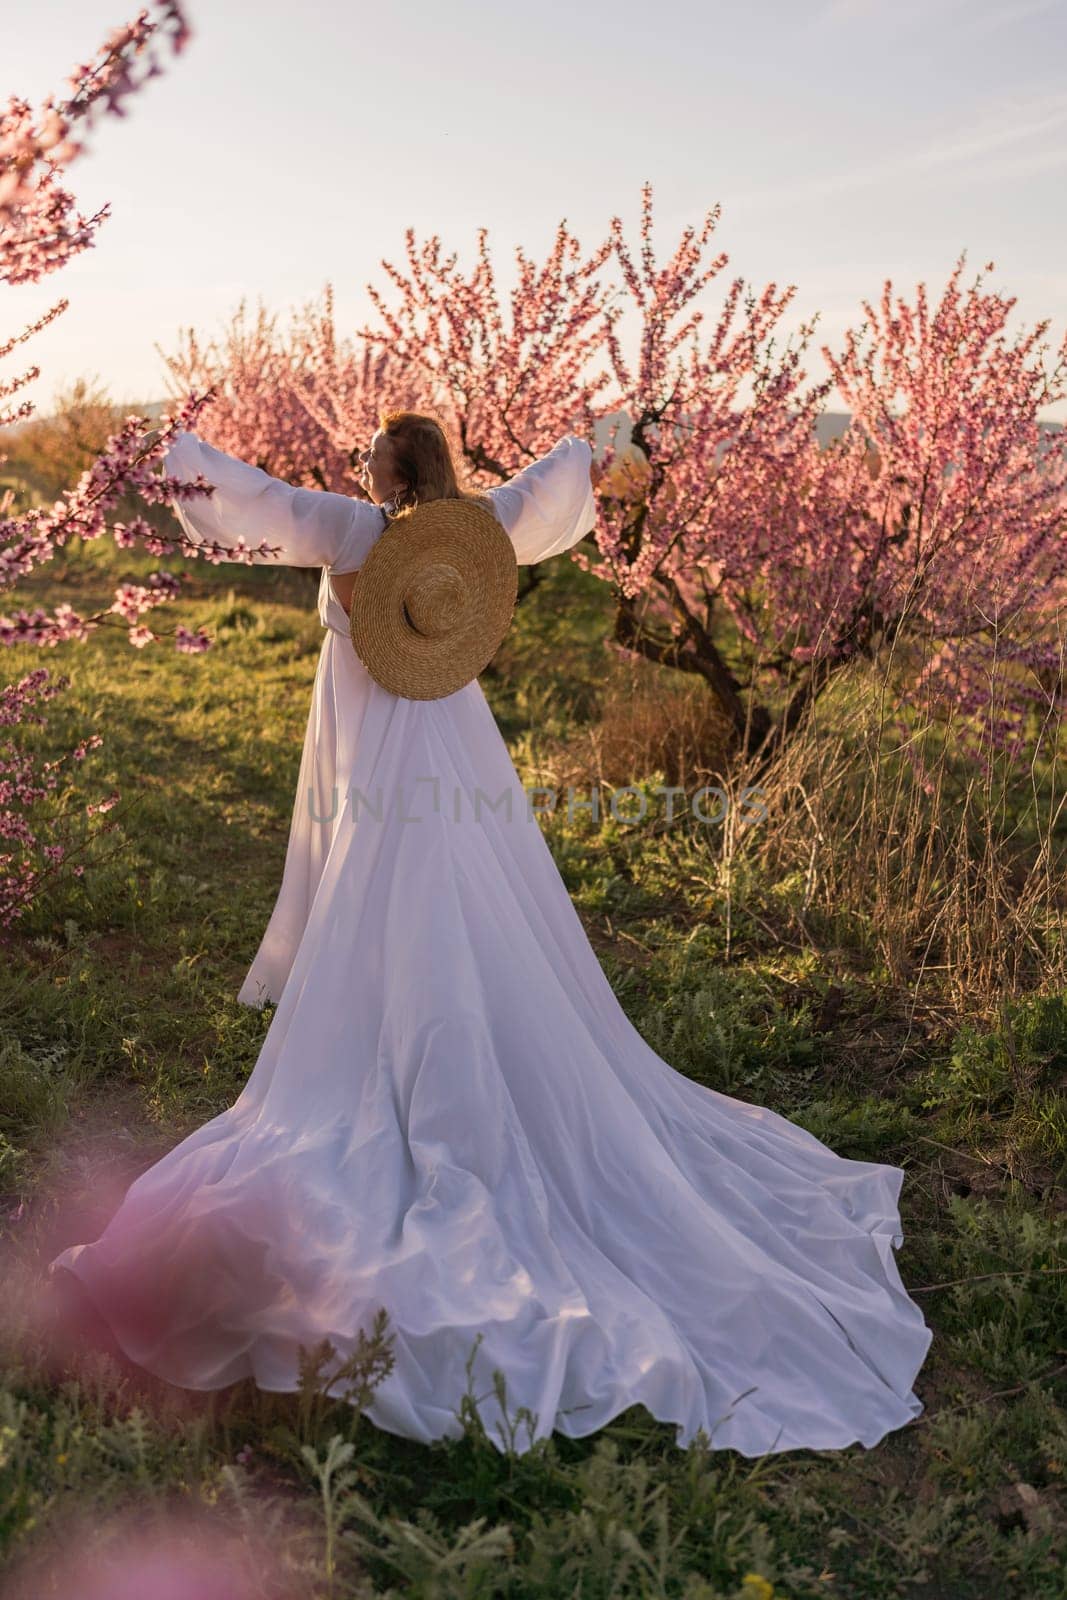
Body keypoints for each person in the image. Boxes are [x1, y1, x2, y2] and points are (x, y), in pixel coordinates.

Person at [48, 411, 933, 1457]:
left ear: (387, 467)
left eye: (374, 457)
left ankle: (407, 1044)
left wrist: (176, 455)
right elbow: (546, 491)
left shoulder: (348, 526)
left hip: (375, 744)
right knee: (464, 889)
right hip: (451, 737)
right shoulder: (474, 530)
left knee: (388, 893)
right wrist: (595, 441)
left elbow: (258, 506)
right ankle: (451, 1027)